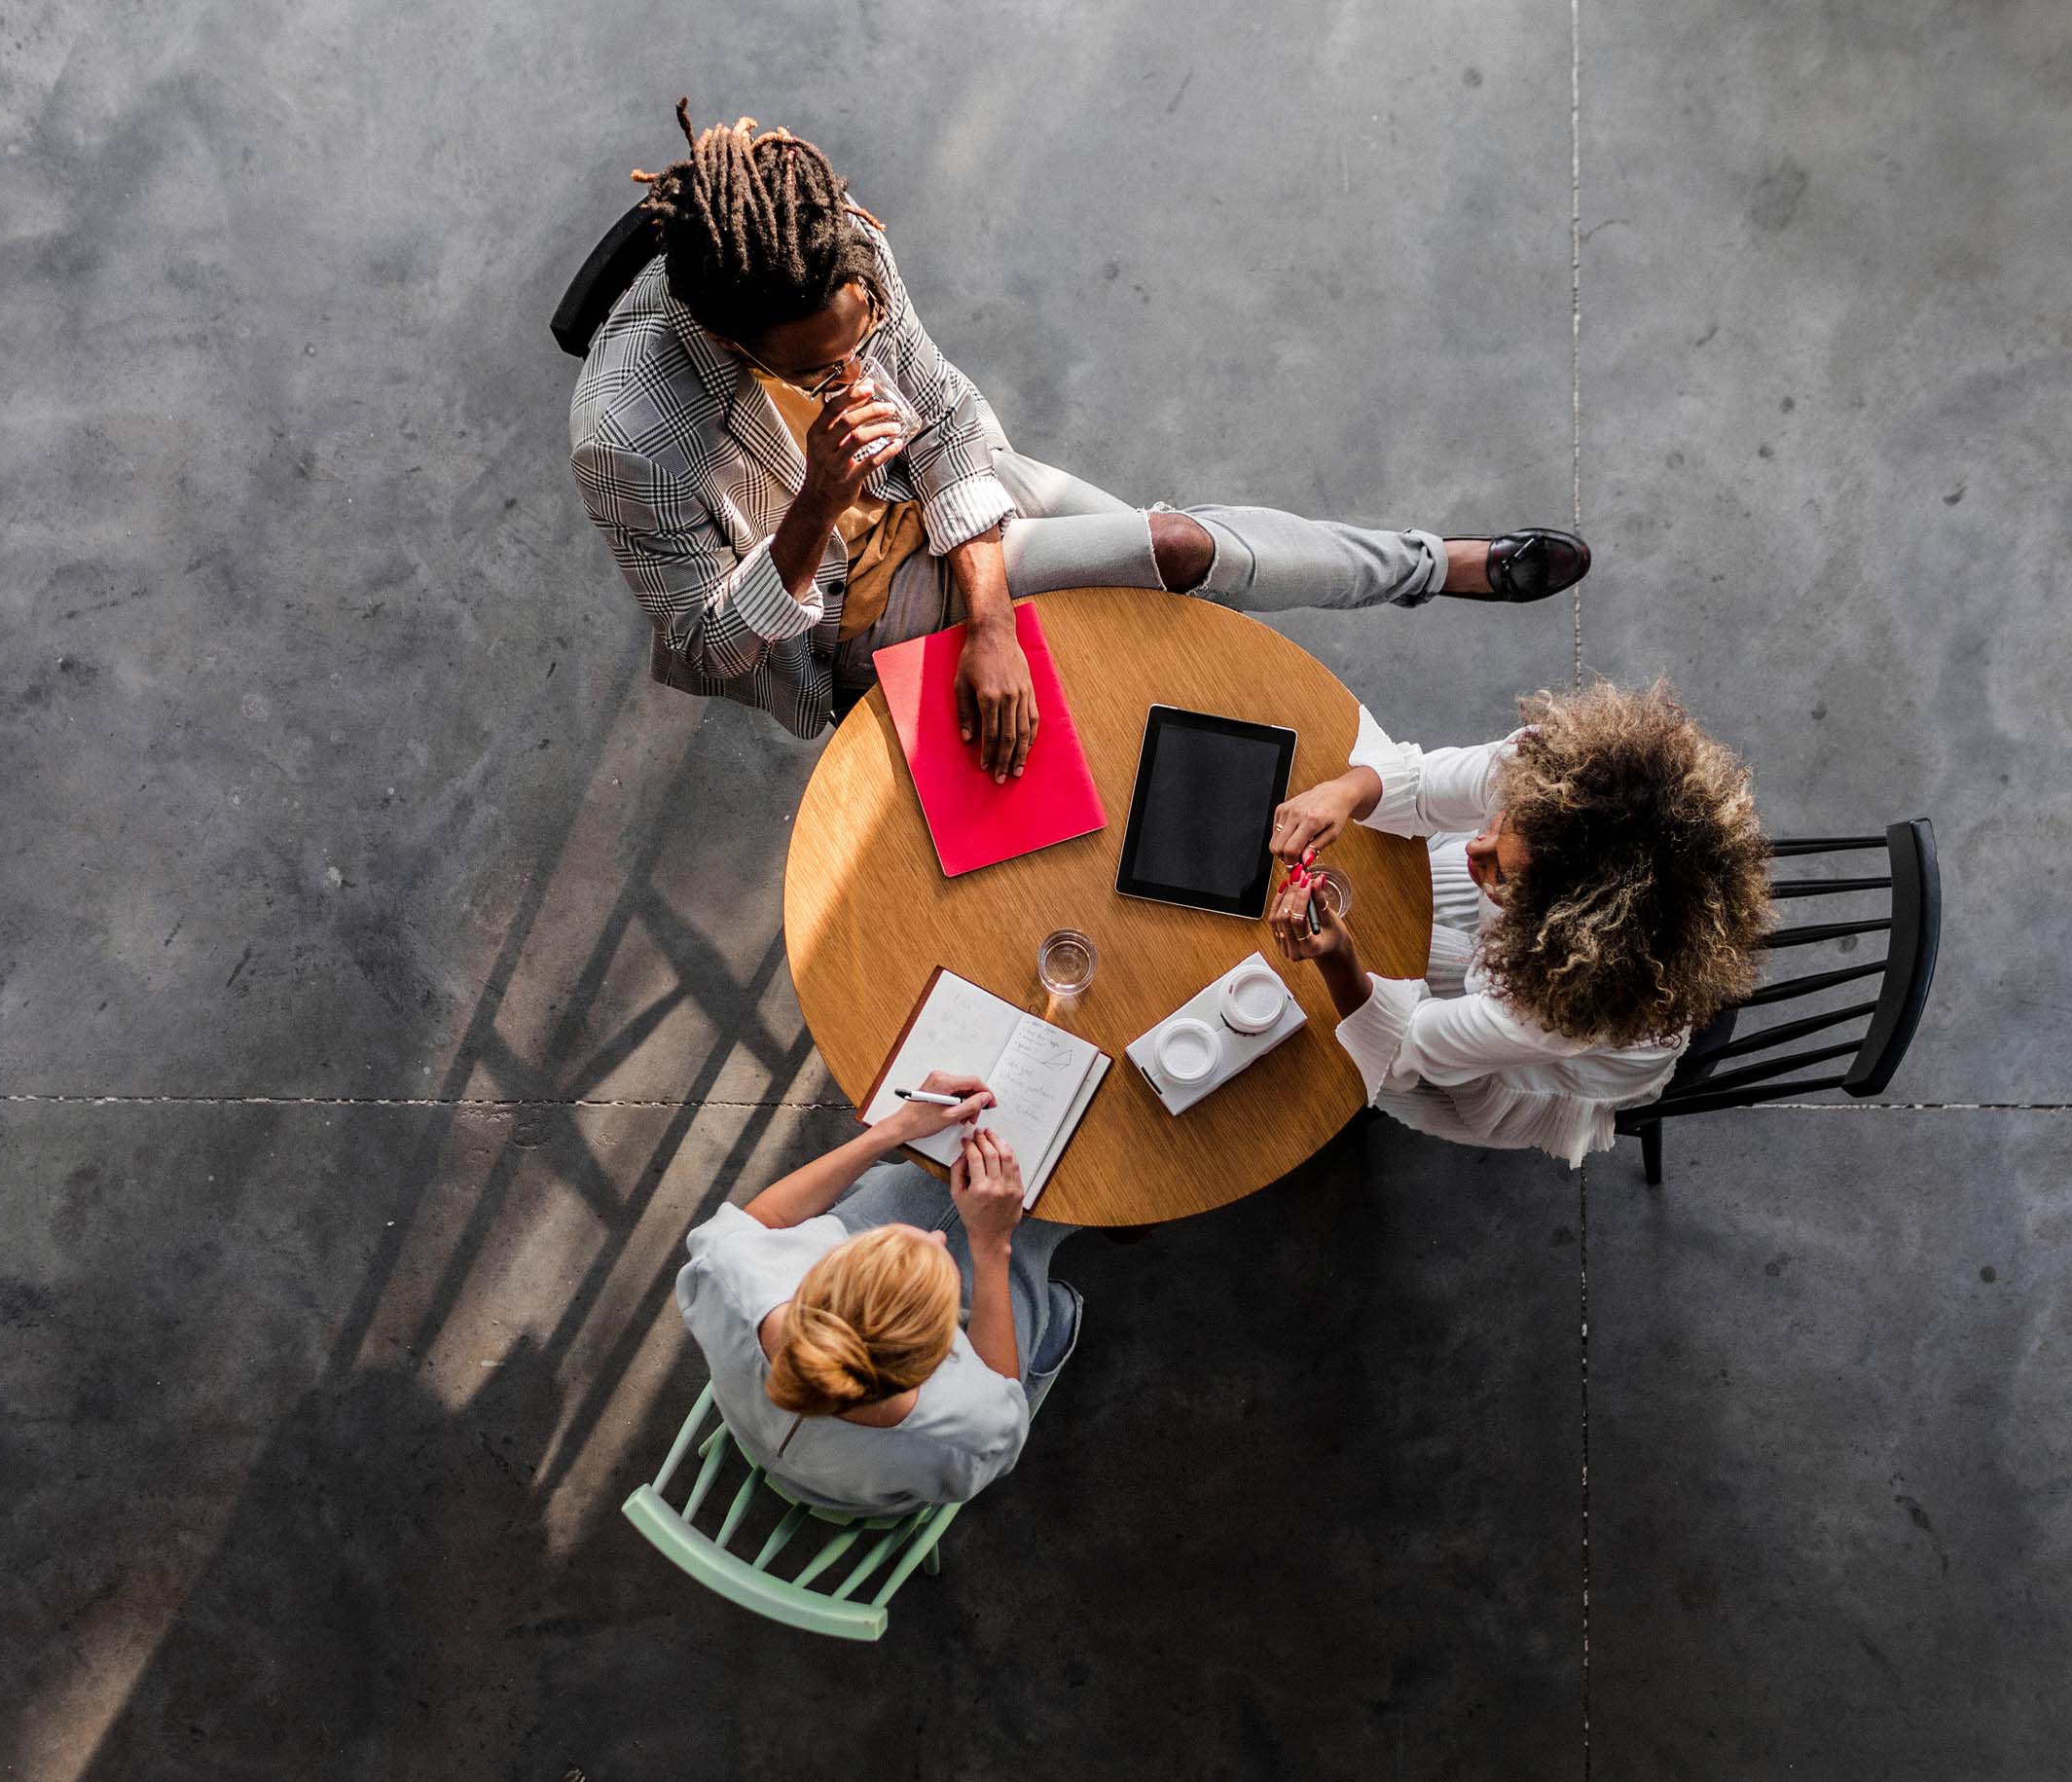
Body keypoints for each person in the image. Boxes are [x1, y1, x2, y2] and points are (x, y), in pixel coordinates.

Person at [571, 104, 1591, 776]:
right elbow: (706, 642)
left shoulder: (841, 245)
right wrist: (812, 507)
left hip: (959, 491)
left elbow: (946, 413)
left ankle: (1419, 580)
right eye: (810, 371)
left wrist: (991, 623)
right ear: (720, 334)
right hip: (847, 611)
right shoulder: (625, 435)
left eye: (861, 339)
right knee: (1173, 564)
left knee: (1170, 596)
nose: (849, 374)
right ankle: (1398, 677)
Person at [1266, 680, 1773, 1166]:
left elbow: (1401, 1046)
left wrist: (1339, 958)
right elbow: (1422, 782)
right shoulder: (1551, 777)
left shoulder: (1555, 1007)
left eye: (1505, 878)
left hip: (1549, 1039)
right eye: (1501, 824)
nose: (1472, 847)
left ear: (1553, 922)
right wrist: (1347, 790)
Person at [674, 1071, 1081, 1515]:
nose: (935, 1239)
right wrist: (992, 1245)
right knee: (1040, 1249)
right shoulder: (973, 1433)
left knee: (913, 1189)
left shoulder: (726, 1269)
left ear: (817, 1272)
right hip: (874, 1497)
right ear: (939, 1358)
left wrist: (897, 1127)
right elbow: (1001, 1388)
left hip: (766, 1425)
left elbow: (765, 1219)